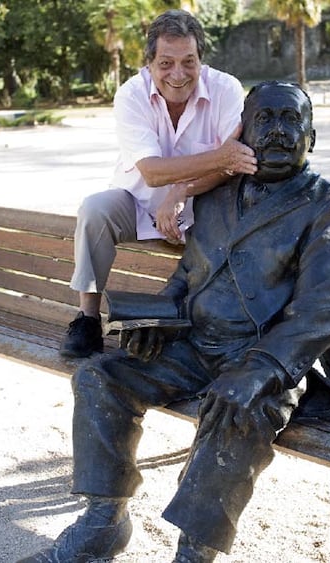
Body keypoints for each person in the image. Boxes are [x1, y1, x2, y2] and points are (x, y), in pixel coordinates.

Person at [19, 81, 330, 563]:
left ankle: (193, 555)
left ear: (312, 135)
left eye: (291, 120)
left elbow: (321, 312)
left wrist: (258, 371)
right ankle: (102, 525)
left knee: (234, 410)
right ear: (243, 131)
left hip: (265, 358)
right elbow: (187, 275)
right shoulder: (218, 196)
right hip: (195, 345)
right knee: (99, 376)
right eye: (266, 119)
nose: (279, 132)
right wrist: (159, 318)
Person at [59, 8, 257, 358]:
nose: (178, 75)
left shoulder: (226, 89)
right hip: (138, 202)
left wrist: (183, 190)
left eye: (189, 62)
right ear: (149, 62)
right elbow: (152, 172)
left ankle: (220, 333)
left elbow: (237, 164)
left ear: (201, 60)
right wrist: (221, 157)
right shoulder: (131, 95)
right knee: (95, 209)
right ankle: (87, 319)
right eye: (166, 63)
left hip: (204, 211)